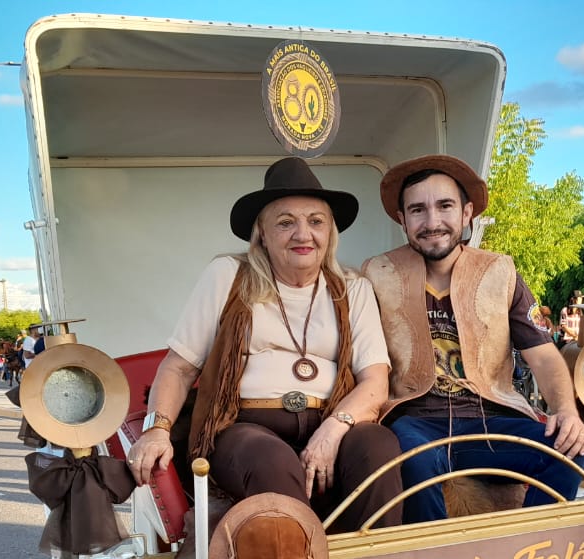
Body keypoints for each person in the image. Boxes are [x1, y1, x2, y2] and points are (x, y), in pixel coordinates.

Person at [129, 157, 403, 531]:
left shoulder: (353, 289)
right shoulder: (228, 275)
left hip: (330, 419)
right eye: (286, 223)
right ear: (261, 233)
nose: (303, 234)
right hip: (245, 427)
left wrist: (334, 428)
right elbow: (179, 367)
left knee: (378, 446)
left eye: (316, 221)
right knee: (270, 459)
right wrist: (156, 430)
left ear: (330, 232)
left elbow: (375, 381)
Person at [361, 154, 584, 524]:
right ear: (402, 219)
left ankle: (525, 549)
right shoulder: (377, 273)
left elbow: (544, 356)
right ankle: (435, 556)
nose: (432, 222)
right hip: (416, 420)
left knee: (568, 450)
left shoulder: (499, 272)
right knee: (416, 459)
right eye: (418, 210)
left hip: (490, 418)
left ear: (467, 212)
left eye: (445, 206)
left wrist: (566, 412)